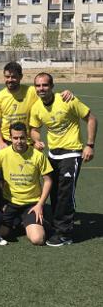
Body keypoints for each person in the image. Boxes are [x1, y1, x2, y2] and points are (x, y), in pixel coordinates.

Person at [29, 72, 98, 246]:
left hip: (71, 153)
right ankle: (56, 225)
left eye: (45, 85)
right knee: (54, 191)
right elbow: (34, 129)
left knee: (66, 193)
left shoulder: (68, 99)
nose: (41, 88)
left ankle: (64, 234)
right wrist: (36, 140)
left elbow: (91, 119)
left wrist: (90, 145)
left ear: (52, 86)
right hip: (53, 154)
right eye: (38, 85)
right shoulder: (37, 107)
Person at [0, 122, 53, 245]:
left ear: (27, 137)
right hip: (10, 203)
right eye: (15, 138)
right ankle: (20, 222)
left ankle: (38, 221)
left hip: (32, 204)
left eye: (22, 138)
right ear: (10, 138)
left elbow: (48, 180)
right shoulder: (3, 154)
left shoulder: (37, 155)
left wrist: (40, 204)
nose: (19, 141)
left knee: (38, 239)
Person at [0, 61, 72, 149]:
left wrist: (64, 93)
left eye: (14, 77)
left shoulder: (31, 91)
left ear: (21, 77)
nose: (10, 80)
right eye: (7, 76)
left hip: (27, 141)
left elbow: (48, 94)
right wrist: (0, 142)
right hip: (6, 142)